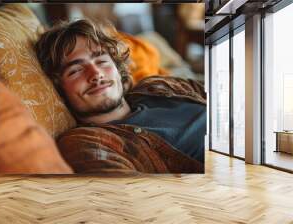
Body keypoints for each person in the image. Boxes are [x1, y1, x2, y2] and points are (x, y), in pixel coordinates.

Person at [35, 19, 206, 174]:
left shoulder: (158, 85)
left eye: (102, 61)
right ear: (58, 88)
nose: (96, 74)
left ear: (118, 68)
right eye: (76, 70)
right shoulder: (88, 142)